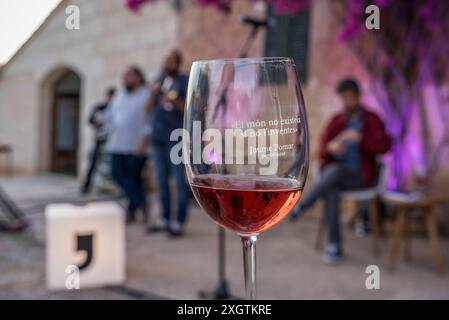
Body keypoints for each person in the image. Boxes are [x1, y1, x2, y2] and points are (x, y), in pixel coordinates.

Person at [291, 78, 391, 264]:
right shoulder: (337, 121)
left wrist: (362, 139)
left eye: (351, 97)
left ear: (358, 96)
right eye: (344, 98)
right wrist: (331, 148)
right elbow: (322, 150)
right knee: (332, 187)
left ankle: (304, 204)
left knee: (334, 173)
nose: (348, 102)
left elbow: (386, 145)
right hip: (337, 177)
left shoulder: (371, 119)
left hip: (362, 176)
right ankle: (334, 247)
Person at [146, 50, 190, 237]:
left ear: (178, 62)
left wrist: (174, 99)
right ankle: (164, 218)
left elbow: (190, 107)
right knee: (161, 181)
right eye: (166, 60)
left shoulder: (183, 80)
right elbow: (147, 109)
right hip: (157, 137)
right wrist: (153, 93)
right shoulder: (158, 80)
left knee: (179, 181)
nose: (168, 63)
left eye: (172, 61)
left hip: (177, 137)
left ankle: (178, 221)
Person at [106, 66, 150, 223]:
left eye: (129, 76)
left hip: (135, 146)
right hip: (117, 144)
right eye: (124, 76)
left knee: (134, 179)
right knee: (116, 174)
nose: (126, 79)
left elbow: (150, 119)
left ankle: (132, 211)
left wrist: (145, 140)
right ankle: (139, 201)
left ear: (138, 77)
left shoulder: (146, 94)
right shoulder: (119, 95)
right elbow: (111, 116)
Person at [81, 87, 115, 195]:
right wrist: (97, 121)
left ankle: (112, 186)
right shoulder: (100, 107)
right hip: (100, 139)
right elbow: (90, 120)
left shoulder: (118, 108)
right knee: (94, 162)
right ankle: (86, 186)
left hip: (113, 140)